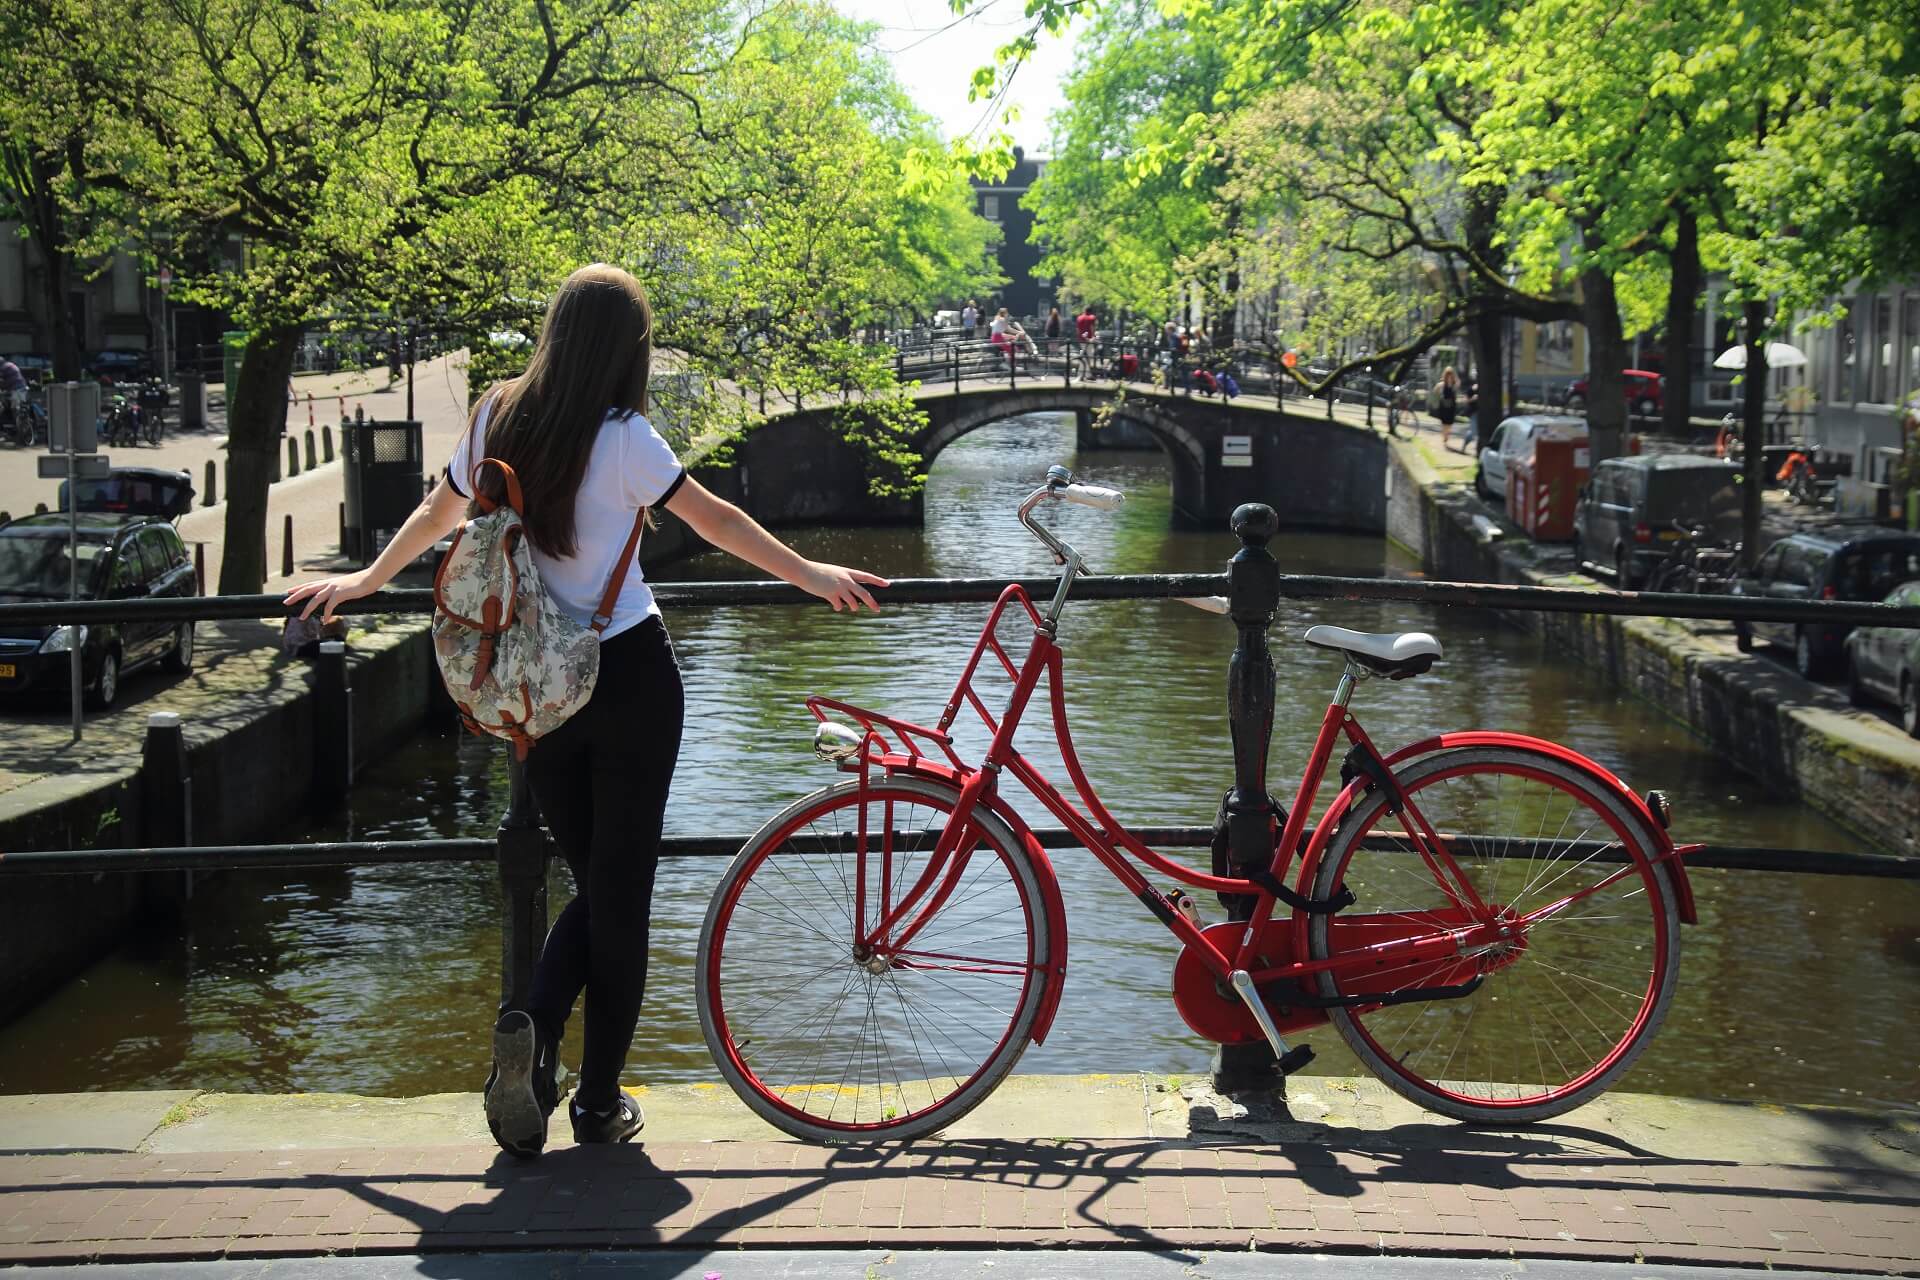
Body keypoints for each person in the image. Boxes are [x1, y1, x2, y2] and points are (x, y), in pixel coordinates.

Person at [284, 264, 888, 1158]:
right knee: (621, 894)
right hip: (632, 677)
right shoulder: (627, 436)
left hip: (536, 686)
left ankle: (528, 1028)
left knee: (588, 881)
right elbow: (716, 520)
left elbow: (438, 511)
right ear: (628, 350)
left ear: (556, 334)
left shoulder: (496, 416)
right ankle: (597, 1101)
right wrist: (812, 573)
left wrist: (365, 582)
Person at [1437, 367, 1460, 451]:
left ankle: (1446, 436)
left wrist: (1454, 376)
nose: (1449, 377)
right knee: (1444, 423)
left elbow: (1458, 382)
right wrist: (1439, 393)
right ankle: (1445, 437)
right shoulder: (1442, 384)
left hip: (1452, 407)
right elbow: (1436, 390)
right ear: (1446, 376)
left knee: (1450, 424)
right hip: (1443, 406)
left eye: (1451, 375)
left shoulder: (1455, 384)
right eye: (1448, 375)